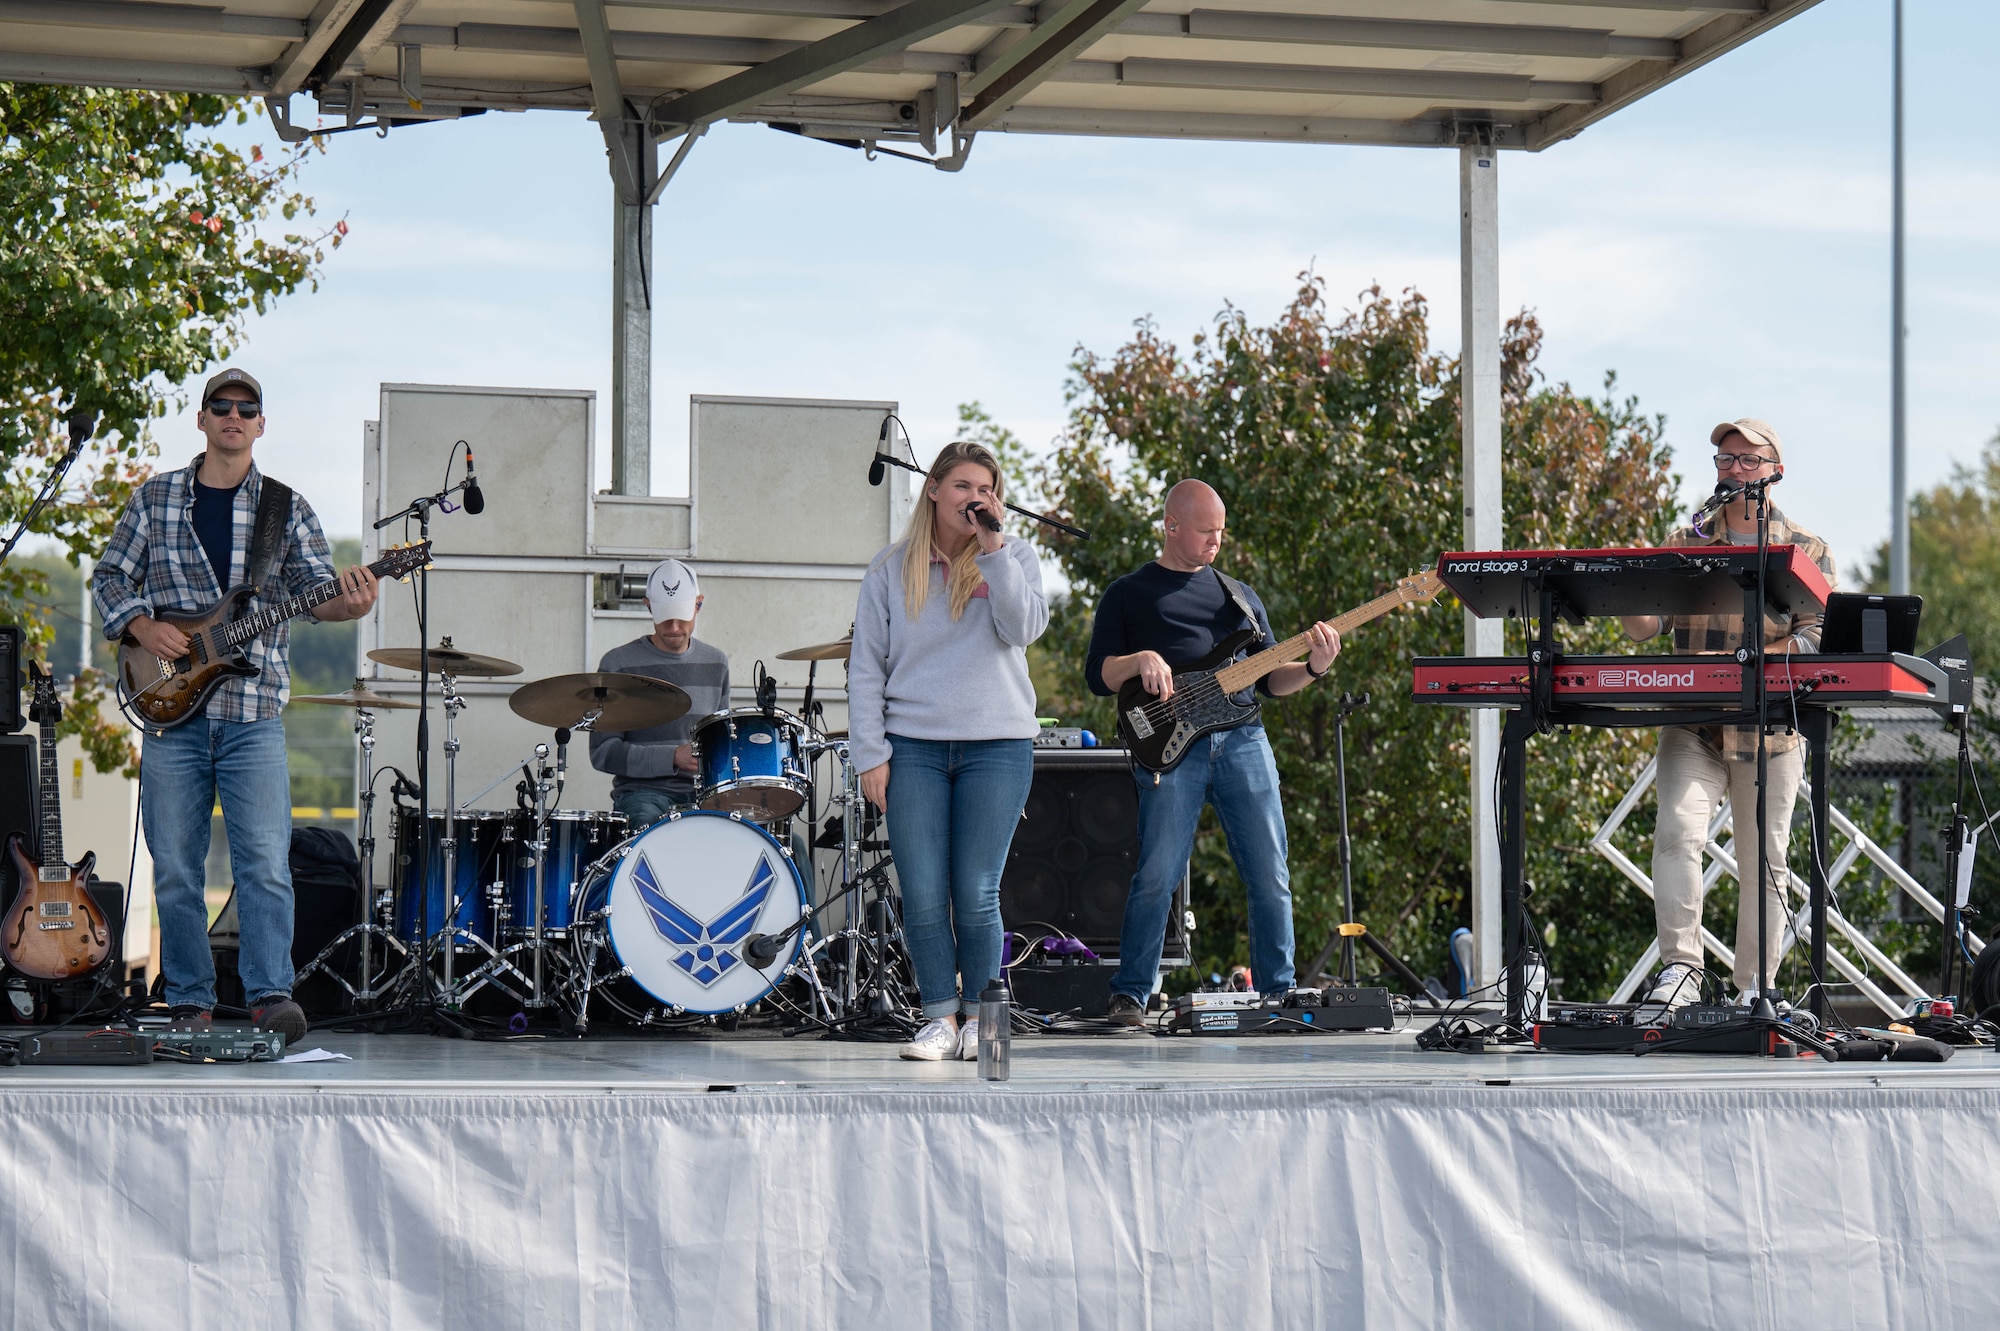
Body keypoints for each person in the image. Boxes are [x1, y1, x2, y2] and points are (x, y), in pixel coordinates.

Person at [93, 367, 379, 1039]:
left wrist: (354, 598)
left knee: (264, 865)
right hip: (170, 713)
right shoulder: (156, 498)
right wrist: (142, 625)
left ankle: (269, 994)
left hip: (253, 718)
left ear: (260, 423)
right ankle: (188, 995)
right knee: (176, 866)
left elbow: (318, 594)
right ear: (201, 419)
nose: (233, 415)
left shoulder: (287, 507)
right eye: (221, 405)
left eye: (246, 407)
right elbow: (108, 575)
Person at [1086, 479, 1340, 1026]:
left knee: (1271, 871)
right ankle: (1130, 993)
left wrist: (1315, 667)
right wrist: (1140, 659)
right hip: (1171, 746)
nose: (1215, 541)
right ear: (1171, 526)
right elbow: (1098, 676)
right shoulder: (1128, 593)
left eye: (1221, 531)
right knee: (1158, 872)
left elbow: (1272, 681)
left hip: (1244, 739)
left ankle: (1279, 993)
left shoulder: (1241, 597)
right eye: (1205, 531)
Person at [1620, 419, 1837, 1008]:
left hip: (1770, 731)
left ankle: (1754, 988)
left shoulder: (1807, 551)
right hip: (1692, 721)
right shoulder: (1687, 540)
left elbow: (1818, 639)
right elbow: (1646, 627)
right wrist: (1627, 590)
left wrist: (1746, 661)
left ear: (1774, 469)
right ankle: (1682, 972)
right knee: (1675, 836)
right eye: (1723, 459)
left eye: (1746, 459)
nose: (1733, 468)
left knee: (1764, 858)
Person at [848, 441, 1048, 1061]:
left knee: (977, 888)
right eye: (962, 486)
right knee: (925, 889)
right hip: (914, 749)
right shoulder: (889, 568)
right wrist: (869, 755)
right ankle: (938, 1018)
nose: (974, 498)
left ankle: (987, 1024)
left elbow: (1024, 629)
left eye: (985, 489)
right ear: (933, 490)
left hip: (998, 745)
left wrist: (994, 553)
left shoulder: (1013, 557)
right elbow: (864, 669)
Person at [589, 558, 730, 827]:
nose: (674, 628)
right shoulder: (618, 664)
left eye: (681, 616)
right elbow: (603, 753)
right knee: (651, 829)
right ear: (648, 606)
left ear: (698, 604)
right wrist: (673, 757)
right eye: (665, 618)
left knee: (780, 843)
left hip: (705, 794)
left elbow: (721, 741)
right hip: (642, 794)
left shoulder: (717, 662)